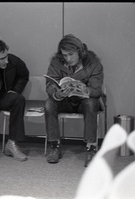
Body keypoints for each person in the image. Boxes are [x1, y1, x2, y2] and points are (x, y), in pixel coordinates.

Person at [44, 34, 104, 166]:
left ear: (80, 51)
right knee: (49, 104)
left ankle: (91, 148)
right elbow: (50, 85)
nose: (68, 58)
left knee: (90, 103)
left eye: (71, 54)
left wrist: (85, 90)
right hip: (65, 100)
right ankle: (54, 146)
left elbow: (97, 90)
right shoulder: (56, 62)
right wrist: (57, 93)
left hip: (84, 101)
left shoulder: (93, 63)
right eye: (64, 55)